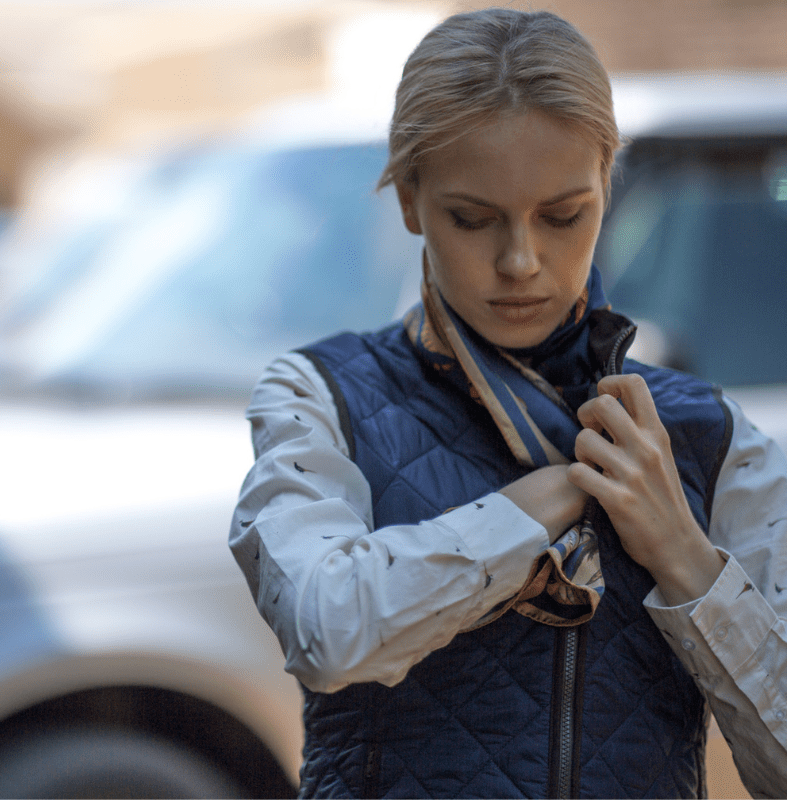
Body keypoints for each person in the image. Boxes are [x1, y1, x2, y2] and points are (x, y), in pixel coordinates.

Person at [229, 8, 787, 799]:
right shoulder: (322, 395)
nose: (521, 260)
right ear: (410, 199)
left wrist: (685, 559)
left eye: (564, 216)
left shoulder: (705, 435)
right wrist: (551, 495)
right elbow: (328, 629)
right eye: (474, 219)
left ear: (605, 184)